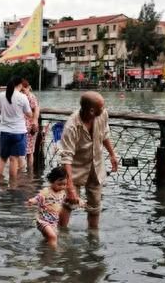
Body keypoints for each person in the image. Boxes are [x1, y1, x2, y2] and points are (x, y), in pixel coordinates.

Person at [58, 91, 119, 229]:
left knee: (95, 205)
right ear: (92, 110)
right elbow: (66, 157)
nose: (104, 109)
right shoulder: (71, 126)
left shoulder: (102, 114)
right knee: (68, 203)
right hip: (74, 168)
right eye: (101, 107)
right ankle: (60, 234)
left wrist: (112, 154)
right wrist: (70, 185)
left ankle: (93, 235)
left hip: (96, 165)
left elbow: (105, 134)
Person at [27, 166, 84, 247]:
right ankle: (54, 255)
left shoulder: (62, 192)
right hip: (42, 221)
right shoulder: (46, 191)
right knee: (53, 237)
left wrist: (79, 201)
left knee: (49, 238)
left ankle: (44, 251)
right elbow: (38, 197)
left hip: (53, 222)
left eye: (64, 184)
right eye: (59, 184)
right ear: (51, 181)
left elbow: (73, 198)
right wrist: (32, 201)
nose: (62, 187)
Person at [0, 76, 33, 180]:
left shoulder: (1, 95)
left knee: (2, 159)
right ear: (20, 85)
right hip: (18, 132)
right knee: (14, 160)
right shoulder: (22, 97)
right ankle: (12, 185)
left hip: (4, 131)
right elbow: (29, 114)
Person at [21, 79, 40, 171]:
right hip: (24, 126)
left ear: (28, 88)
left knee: (29, 152)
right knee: (27, 152)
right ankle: (29, 172)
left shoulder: (31, 97)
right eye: (21, 90)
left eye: (23, 90)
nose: (22, 92)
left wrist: (35, 122)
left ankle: (28, 171)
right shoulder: (26, 97)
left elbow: (36, 109)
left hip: (29, 126)